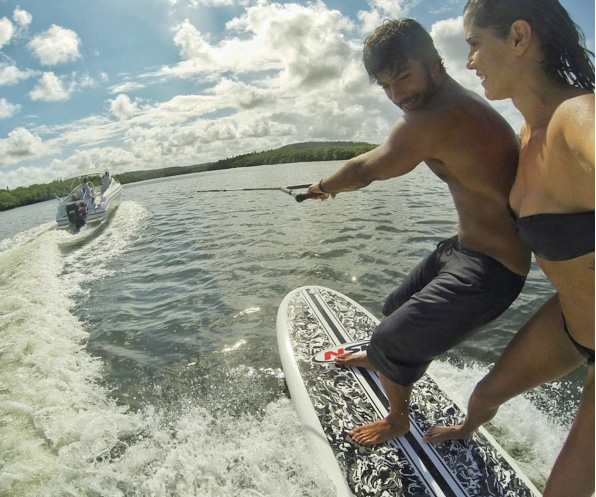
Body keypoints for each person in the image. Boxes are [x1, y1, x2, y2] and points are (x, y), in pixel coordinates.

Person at [307, 19, 531, 446]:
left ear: (433, 63)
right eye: (387, 87)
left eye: (403, 78)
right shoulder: (440, 108)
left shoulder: (437, 116)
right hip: (464, 249)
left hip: (494, 271)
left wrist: (322, 187)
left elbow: (364, 170)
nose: (397, 96)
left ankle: (397, 419)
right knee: (393, 308)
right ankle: (381, 360)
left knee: (392, 339)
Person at [422, 1, 594, 496]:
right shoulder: (527, 131)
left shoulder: (575, 118)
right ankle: (465, 432)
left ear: (518, 37)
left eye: (474, 44)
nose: (469, 61)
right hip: (569, 321)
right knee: (486, 395)